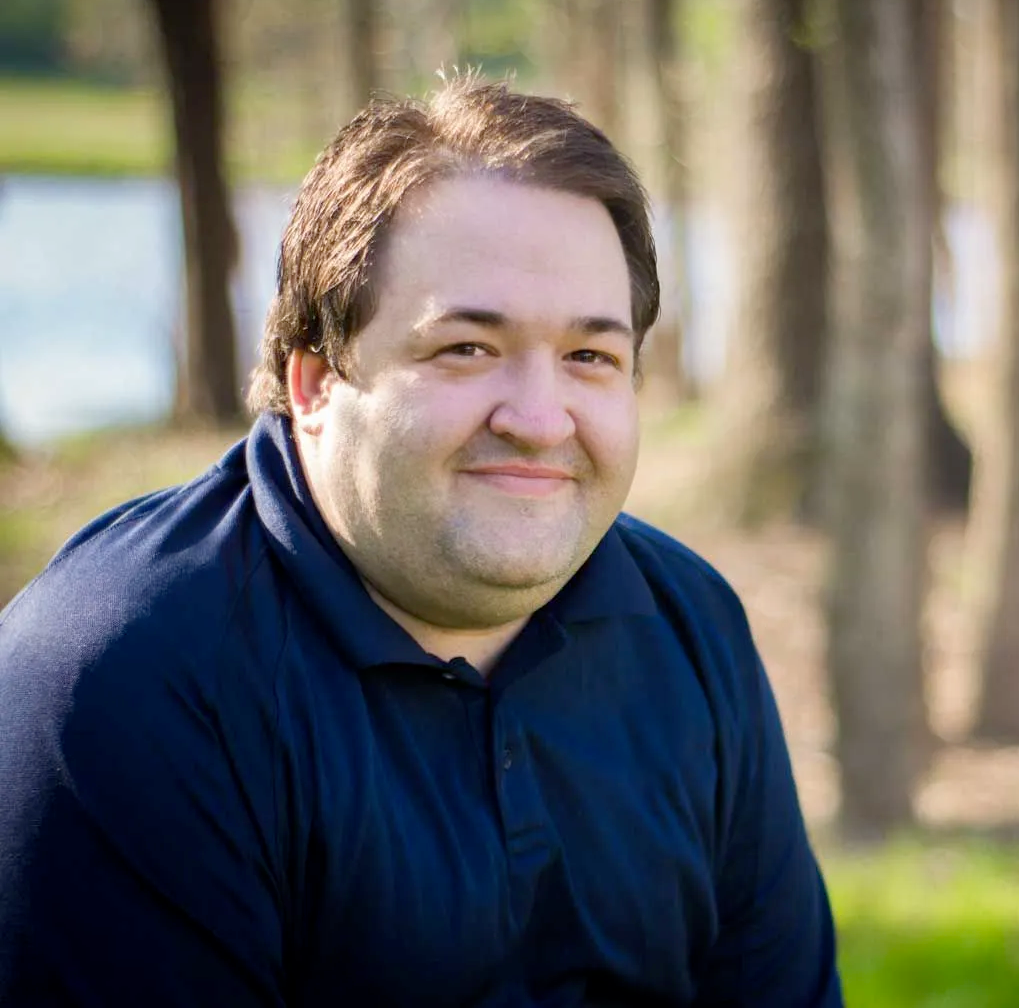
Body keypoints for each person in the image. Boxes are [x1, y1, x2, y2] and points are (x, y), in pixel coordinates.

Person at [0, 75, 842, 1007]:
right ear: (316, 381)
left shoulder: (692, 626)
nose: (537, 416)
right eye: (465, 349)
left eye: (589, 357)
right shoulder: (121, 675)